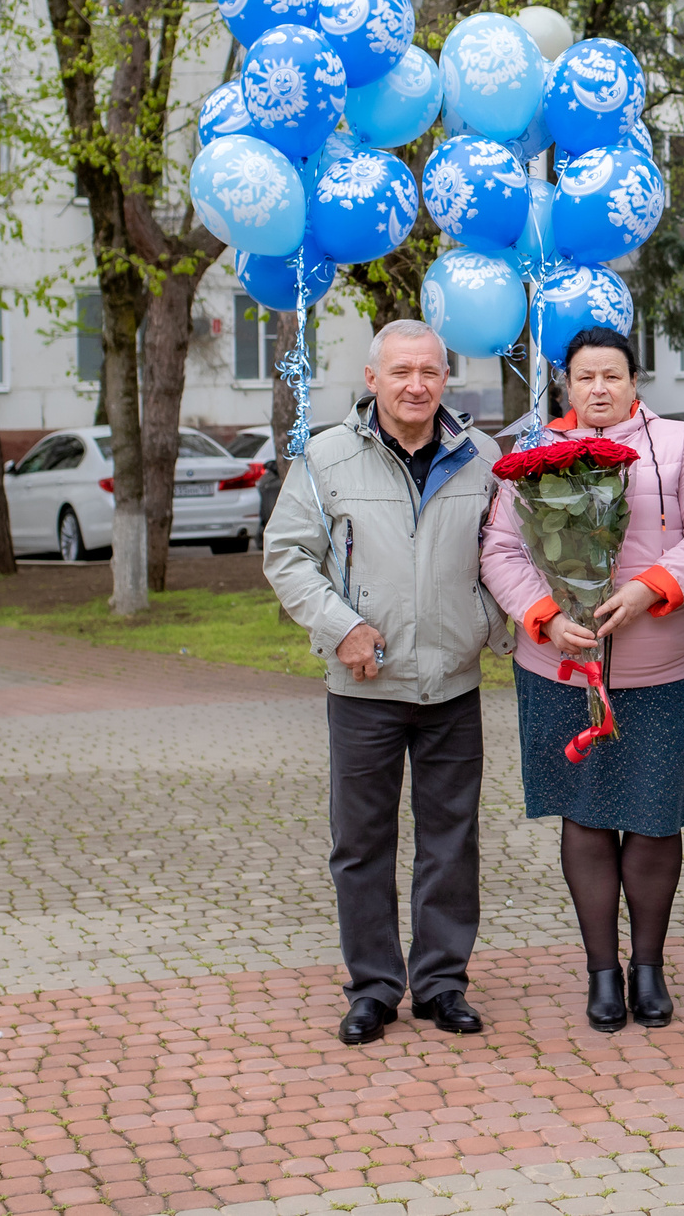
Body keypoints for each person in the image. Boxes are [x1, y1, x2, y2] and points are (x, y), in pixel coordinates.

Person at [264, 319, 508, 1046]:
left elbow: (508, 556)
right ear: (372, 378)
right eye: (400, 371)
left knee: (450, 840)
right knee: (362, 844)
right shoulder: (326, 456)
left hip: (451, 686)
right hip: (363, 690)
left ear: (445, 377)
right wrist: (340, 626)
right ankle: (373, 987)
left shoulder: (482, 457)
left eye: (430, 371)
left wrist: (480, 623)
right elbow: (287, 556)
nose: (416, 385)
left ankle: (440, 983)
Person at [479, 327, 684, 1034]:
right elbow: (501, 547)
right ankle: (601, 971)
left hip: (660, 663)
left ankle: (648, 966)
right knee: (584, 813)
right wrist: (545, 616)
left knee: (651, 814)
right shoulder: (531, 454)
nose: (600, 388)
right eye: (586, 377)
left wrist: (651, 587)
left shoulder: (678, 445)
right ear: (566, 385)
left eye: (613, 374)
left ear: (635, 379)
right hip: (561, 665)